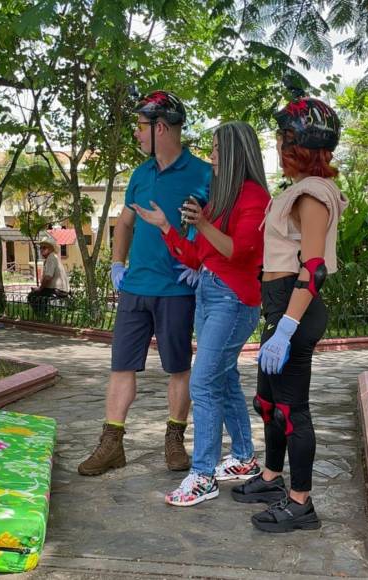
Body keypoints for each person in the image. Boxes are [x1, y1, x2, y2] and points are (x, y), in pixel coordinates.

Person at [133, 121, 271, 506]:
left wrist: (205, 223)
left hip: (234, 300)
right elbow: (198, 255)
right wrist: (166, 228)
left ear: (234, 152)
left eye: (215, 147)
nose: (210, 154)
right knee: (222, 380)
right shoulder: (222, 197)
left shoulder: (254, 197)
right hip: (209, 294)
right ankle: (243, 458)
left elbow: (238, 251)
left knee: (203, 383)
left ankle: (203, 474)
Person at [78, 90, 210, 476]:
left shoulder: (203, 174)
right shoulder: (140, 174)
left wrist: (201, 263)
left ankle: (174, 440)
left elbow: (217, 226)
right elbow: (126, 222)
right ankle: (111, 443)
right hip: (135, 288)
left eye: (141, 126)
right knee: (121, 366)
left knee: (178, 367)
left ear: (162, 127)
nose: (136, 134)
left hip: (177, 288)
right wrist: (117, 263)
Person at [231, 95, 347, 533]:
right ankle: (271, 478)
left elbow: (313, 268)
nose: (277, 145)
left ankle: (300, 504)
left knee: (292, 411)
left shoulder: (313, 194)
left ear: (298, 143)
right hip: (280, 307)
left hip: (294, 309)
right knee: (268, 403)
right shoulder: (297, 191)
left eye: (282, 138)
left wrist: (286, 329)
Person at [27, 239, 69, 315]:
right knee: (39, 295)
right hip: (57, 289)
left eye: (44, 248)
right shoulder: (52, 257)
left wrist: (40, 288)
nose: (41, 250)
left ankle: (41, 315)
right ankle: (44, 314)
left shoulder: (51, 257)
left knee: (32, 296)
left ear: (50, 249)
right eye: (40, 248)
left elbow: (48, 277)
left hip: (58, 290)